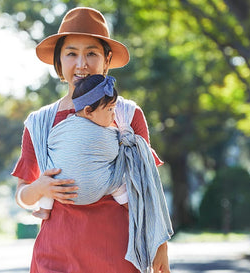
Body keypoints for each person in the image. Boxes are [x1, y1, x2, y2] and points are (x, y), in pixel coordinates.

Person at [12, 7, 173, 273]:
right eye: (71, 53)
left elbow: (148, 190)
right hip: (54, 256)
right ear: (58, 63)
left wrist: (161, 246)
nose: (82, 63)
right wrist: (41, 188)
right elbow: (22, 194)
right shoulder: (40, 123)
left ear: (107, 60)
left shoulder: (127, 116)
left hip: (119, 255)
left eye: (92, 53)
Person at [32, 74, 129, 220]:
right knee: (117, 183)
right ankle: (130, 206)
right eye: (110, 109)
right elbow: (113, 152)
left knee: (48, 173)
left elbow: (51, 142)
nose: (114, 115)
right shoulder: (108, 134)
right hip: (98, 189)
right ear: (88, 111)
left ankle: (44, 209)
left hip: (61, 189)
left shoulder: (62, 126)